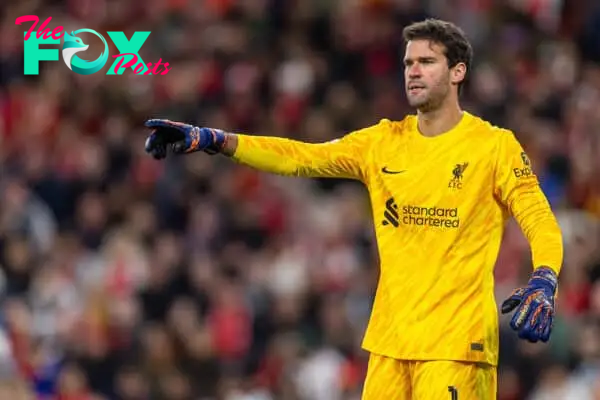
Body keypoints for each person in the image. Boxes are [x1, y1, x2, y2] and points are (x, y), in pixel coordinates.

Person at [143, 18, 562, 400]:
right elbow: (300, 157)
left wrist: (544, 276)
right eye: (408, 63)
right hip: (389, 343)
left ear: (458, 72)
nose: (413, 71)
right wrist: (214, 139)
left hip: (456, 344)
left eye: (427, 62)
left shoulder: (494, 146)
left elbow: (538, 216)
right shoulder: (382, 142)